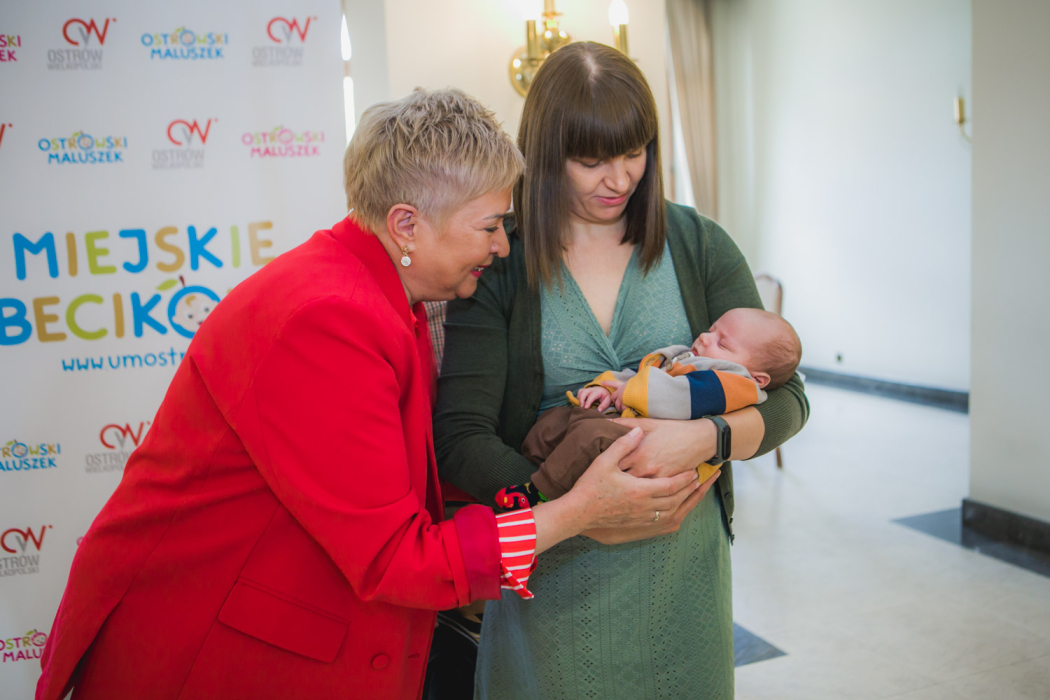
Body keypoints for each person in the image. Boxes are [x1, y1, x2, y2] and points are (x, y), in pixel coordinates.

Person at [34, 88, 704, 700]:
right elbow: (396, 557)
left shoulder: (377, 295)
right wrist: (578, 511)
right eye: (489, 226)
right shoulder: (326, 318)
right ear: (406, 224)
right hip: (208, 651)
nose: (502, 246)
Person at [434, 43, 810, 699]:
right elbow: (461, 438)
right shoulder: (502, 261)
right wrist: (574, 509)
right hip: (551, 579)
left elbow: (789, 399)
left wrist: (705, 437)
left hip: (682, 577)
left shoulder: (698, 245)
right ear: (546, 155)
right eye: (592, 161)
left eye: (634, 152)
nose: (620, 178)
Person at [497, 308, 802, 507]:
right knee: (556, 421)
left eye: (722, 344)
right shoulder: (686, 359)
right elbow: (643, 376)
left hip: (649, 451)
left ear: (758, 378)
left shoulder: (735, 383)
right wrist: (607, 387)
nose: (705, 337)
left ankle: (539, 495)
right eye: (711, 329)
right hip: (625, 425)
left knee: (590, 437)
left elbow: (683, 398)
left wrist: (630, 391)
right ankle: (537, 468)